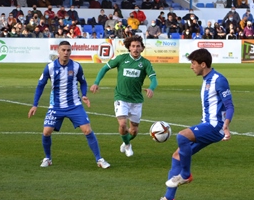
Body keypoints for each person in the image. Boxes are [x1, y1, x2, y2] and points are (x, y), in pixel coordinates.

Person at [149, 48, 234, 200]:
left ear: (203, 64)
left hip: (215, 127)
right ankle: (169, 199)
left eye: (193, 63)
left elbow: (229, 105)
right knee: (177, 156)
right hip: (207, 124)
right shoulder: (206, 79)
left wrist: (226, 124)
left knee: (182, 136)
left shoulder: (219, 80)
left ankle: (186, 175)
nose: (191, 67)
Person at [28, 41, 110, 169]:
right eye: (64, 50)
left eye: (68, 50)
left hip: (74, 105)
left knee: (87, 130)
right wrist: (35, 104)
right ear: (58, 51)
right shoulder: (49, 67)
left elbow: (83, 82)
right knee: (46, 132)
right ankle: (47, 158)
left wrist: (84, 95)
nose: (66, 53)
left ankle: (99, 159)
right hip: (55, 106)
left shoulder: (77, 66)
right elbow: (40, 86)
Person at [90, 35, 157, 157]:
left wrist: (151, 88)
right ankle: (127, 145)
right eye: (133, 46)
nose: (135, 49)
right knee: (122, 125)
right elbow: (104, 68)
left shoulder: (145, 63)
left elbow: (154, 79)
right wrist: (96, 82)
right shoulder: (121, 59)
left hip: (136, 100)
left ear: (142, 48)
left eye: (138, 46)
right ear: (129, 48)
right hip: (121, 97)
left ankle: (126, 141)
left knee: (134, 131)